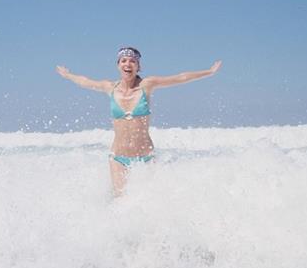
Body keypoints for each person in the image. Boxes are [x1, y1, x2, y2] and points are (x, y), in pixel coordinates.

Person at [56, 47, 222, 196]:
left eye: (132, 61)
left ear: (138, 66)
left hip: (145, 157)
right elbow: (86, 81)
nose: (128, 64)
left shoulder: (147, 85)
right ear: (118, 65)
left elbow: (180, 77)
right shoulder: (110, 87)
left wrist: (208, 72)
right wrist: (68, 75)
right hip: (118, 158)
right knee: (120, 200)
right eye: (124, 60)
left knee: (150, 200)